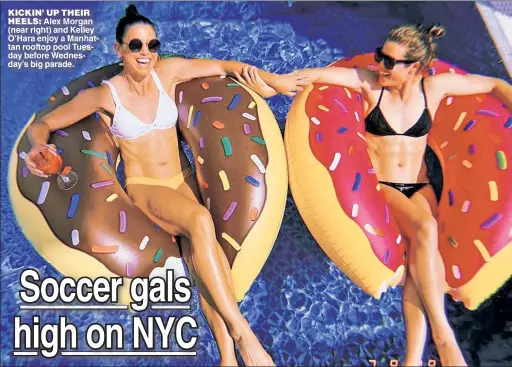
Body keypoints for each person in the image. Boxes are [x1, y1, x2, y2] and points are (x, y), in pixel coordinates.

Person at [24, 5, 308, 366]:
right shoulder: (105, 96)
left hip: (183, 178)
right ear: (118, 49)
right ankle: (244, 334)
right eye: (135, 45)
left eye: (152, 45)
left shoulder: (167, 73)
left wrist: (276, 82)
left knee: (202, 255)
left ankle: (227, 358)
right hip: (147, 188)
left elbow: (227, 66)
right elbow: (43, 124)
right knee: (202, 222)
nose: (145, 53)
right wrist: (38, 147)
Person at [240, 23, 512, 366]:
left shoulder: (435, 88)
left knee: (420, 256)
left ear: (414, 68)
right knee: (426, 231)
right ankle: (445, 339)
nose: (379, 63)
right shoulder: (369, 84)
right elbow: (317, 75)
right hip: (382, 187)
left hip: (421, 187)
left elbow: (492, 84)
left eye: (389, 60)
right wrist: (279, 83)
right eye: (381, 55)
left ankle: (413, 355)